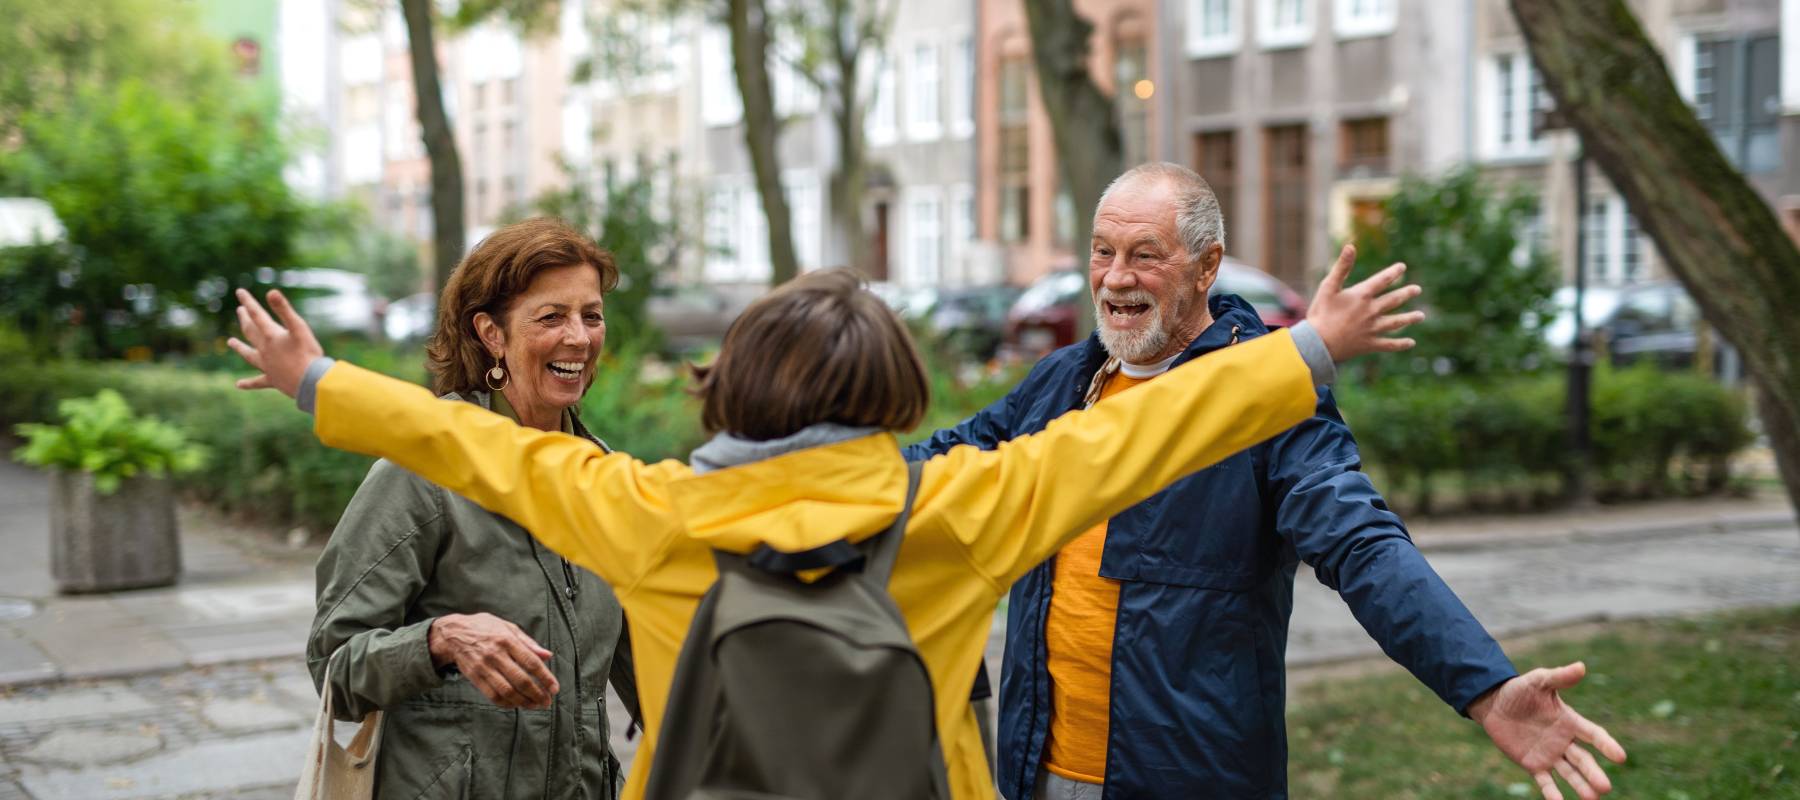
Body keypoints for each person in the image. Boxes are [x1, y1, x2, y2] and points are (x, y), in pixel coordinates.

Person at [230, 255, 1418, 800]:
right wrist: (1309, 347)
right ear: (894, 394)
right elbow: (1147, 432)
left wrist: (318, 380)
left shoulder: (653, 512)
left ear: (733, 387)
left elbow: (476, 445)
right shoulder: (963, 507)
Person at [907, 163, 1626, 800]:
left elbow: (1363, 545)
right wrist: (810, 461)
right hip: (1033, 769)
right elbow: (938, 466)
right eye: (1103, 252)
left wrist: (1485, 686)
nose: (1116, 277)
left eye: (1145, 255)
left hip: (1187, 778)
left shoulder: (1268, 400)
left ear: (1206, 266)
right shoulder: (1061, 383)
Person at [306, 218, 639, 799]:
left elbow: (652, 674)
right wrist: (440, 639)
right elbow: (334, 665)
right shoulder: (421, 473)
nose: (580, 338)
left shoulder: (603, 478)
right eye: (552, 316)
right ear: (491, 333)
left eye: (592, 314)